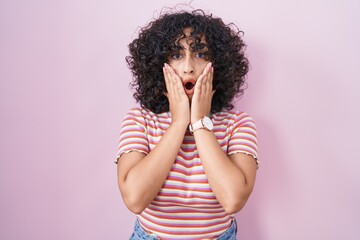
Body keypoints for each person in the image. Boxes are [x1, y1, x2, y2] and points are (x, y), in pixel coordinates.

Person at [116, 8, 259, 240]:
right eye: (176, 55)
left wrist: (199, 122)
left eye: (201, 54)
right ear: (159, 63)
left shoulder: (238, 124)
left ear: (218, 63)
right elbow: (134, 199)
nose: (189, 67)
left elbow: (233, 200)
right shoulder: (140, 120)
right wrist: (179, 122)